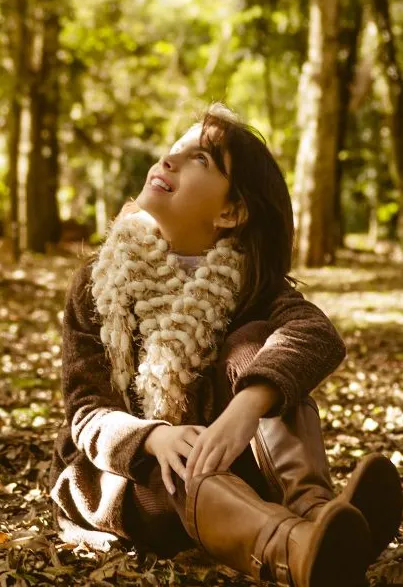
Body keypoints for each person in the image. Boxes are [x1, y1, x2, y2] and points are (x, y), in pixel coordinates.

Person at [50, 103, 402, 587]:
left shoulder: (249, 284)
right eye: (173, 151)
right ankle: (298, 552)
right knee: (177, 473)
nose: (169, 160)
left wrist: (248, 406)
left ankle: (317, 513)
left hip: (230, 469)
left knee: (261, 349)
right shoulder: (99, 283)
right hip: (132, 480)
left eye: (200, 159)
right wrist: (156, 436)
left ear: (231, 211)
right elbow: (87, 413)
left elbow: (315, 334)